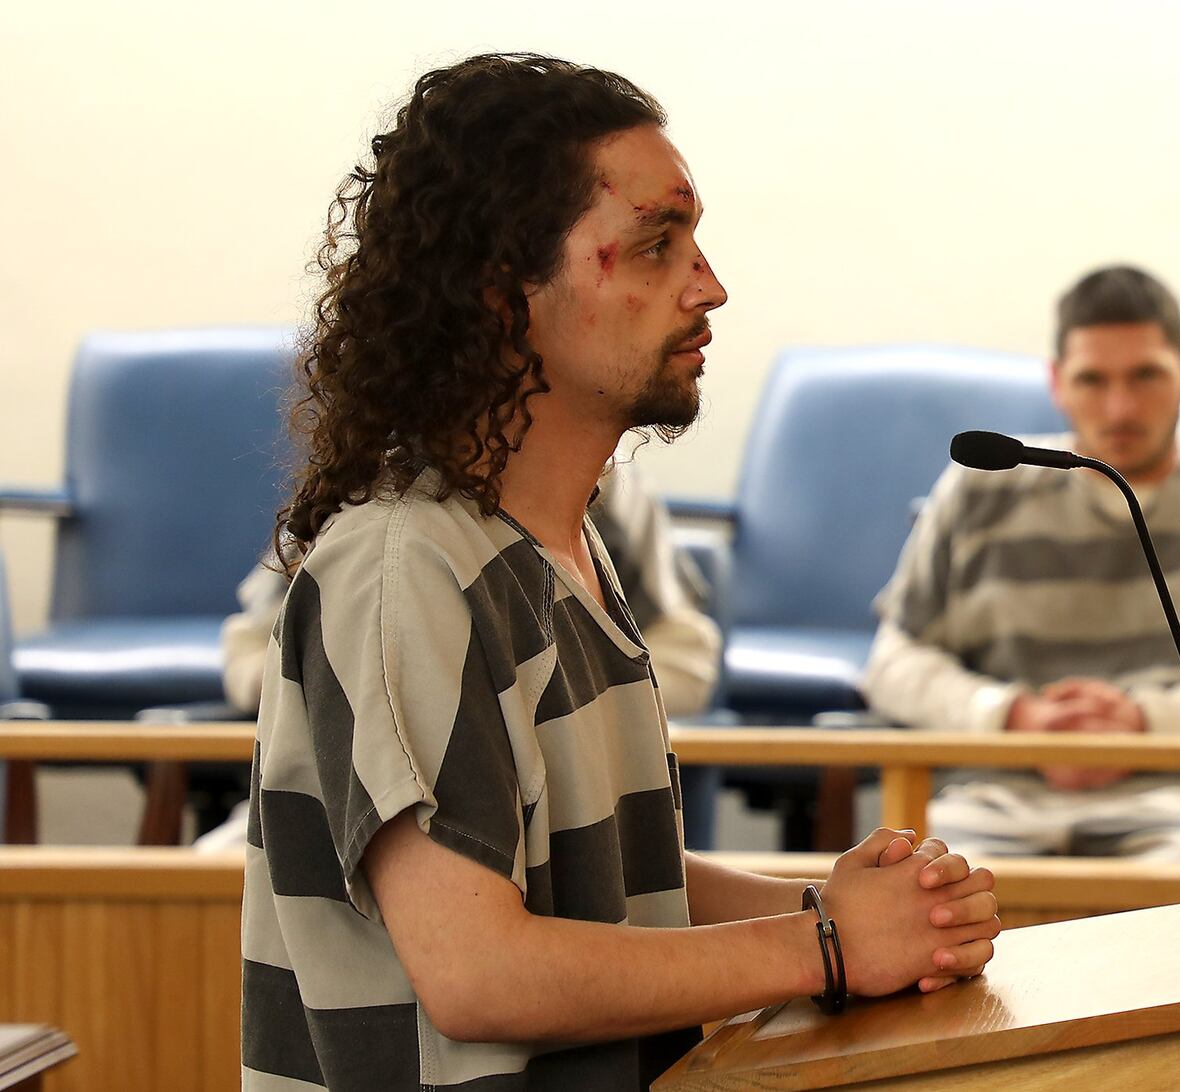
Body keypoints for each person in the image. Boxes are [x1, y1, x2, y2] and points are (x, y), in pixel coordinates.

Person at [242, 54, 999, 1092]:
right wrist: (826, 948)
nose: (709, 285)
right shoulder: (406, 567)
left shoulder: (563, 544)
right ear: (501, 294)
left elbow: (606, 880)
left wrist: (836, 905)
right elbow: (477, 970)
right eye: (655, 245)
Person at [860, 266, 1180, 860]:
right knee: (932, 914)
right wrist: (1019, 718)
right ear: (1056, 383)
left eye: (1146, 376)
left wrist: (1148, 725)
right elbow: (891, 662)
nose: (1120, 408)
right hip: (996, 802)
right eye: (1092, 380)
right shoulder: (981, 489)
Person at [221, 461, 721, 719]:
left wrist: (541, 715)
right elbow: (252, 655)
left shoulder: (610, 496)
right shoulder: (343, 495)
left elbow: (686, 662)